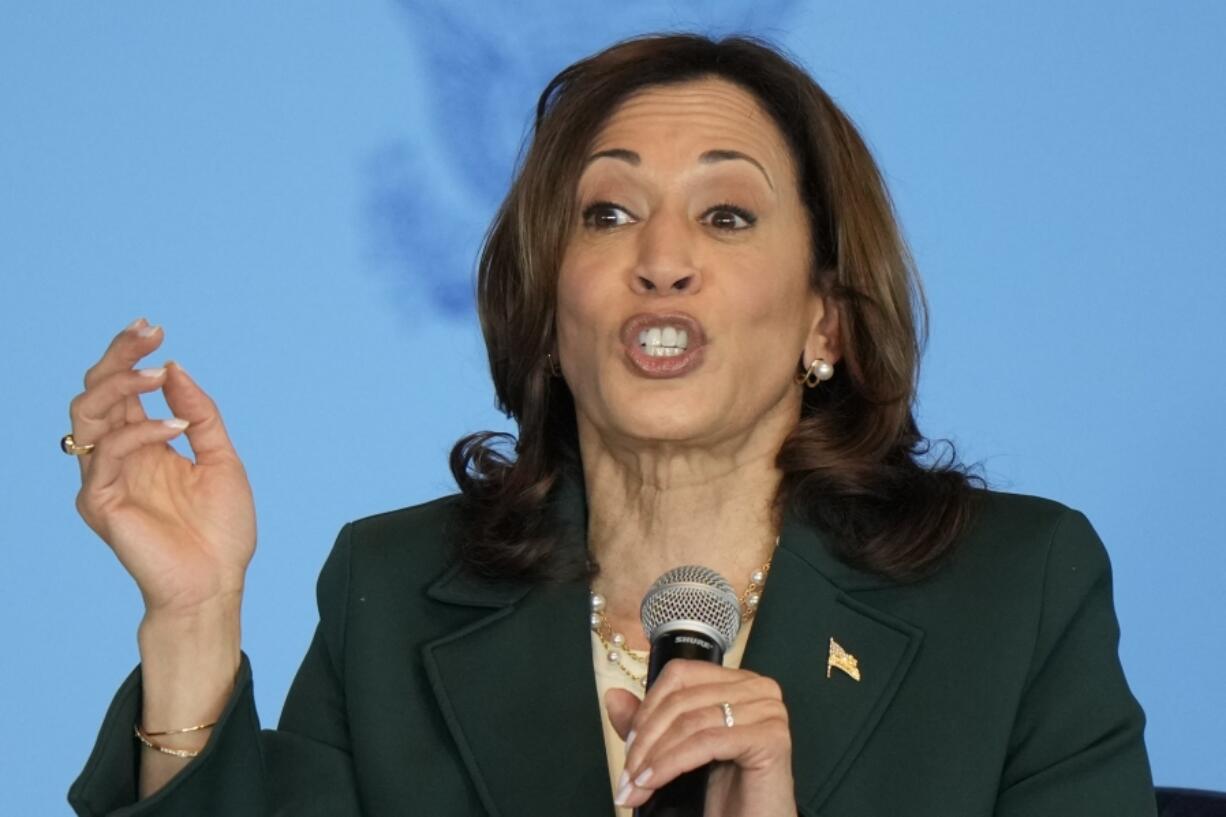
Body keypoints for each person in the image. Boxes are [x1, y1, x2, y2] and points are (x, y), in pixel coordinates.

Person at [64, 33, 1157, 817]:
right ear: (546, 311)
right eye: (608, 213)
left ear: (823, 316)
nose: (661, 257)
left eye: (726, 215)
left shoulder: (1016, 590)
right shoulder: (390, 587)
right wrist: (194, 618)